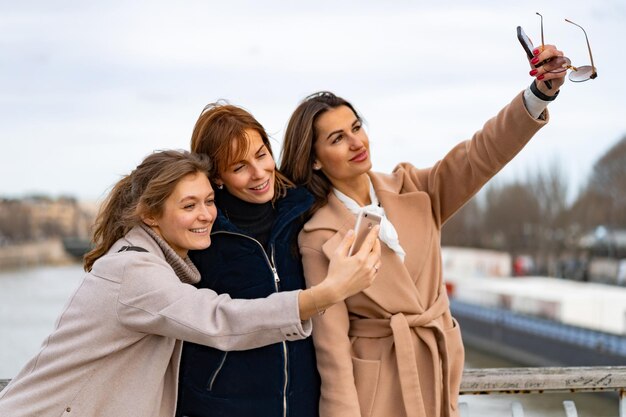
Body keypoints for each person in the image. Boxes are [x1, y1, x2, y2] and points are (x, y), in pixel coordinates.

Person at [279, 44, 568, 417]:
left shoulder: (415, 188)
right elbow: (331, 350)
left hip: (437, 371)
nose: (356, 142)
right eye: (337, 139)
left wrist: (539, 94)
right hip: (376, 393)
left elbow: (482, 153)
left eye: (356, 127)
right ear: (315, 159)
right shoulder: (317, 236)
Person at [0, 150, 378, 417]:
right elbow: (220, 319)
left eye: (209, 200)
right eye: (188, 205)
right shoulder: (133, 271)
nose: (206, 215)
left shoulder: (158, 263)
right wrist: (328, 292)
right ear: (149, 214)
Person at [175, 103, 382, 417]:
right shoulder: (201, 238)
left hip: (304, 406)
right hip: (221, 409)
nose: (259, 173)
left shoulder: (304, 213)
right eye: (239, 166)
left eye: (261, 155)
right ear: (217, 176)